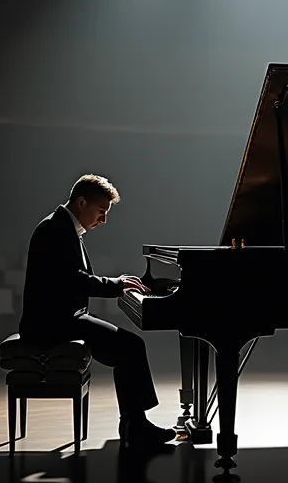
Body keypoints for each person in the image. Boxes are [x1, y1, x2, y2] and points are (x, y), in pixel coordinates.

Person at [19, 174, 180, 447]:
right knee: (130, 347)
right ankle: (135, 425)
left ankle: (133, 423)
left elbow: (72, 277)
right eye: (101, 211)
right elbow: (71, 279)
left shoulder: (62, 227)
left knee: (126, 348)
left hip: (61, 318)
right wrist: (116, 285)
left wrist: (116, 286)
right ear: (81, 202)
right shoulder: (55, 230)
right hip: (51, 325)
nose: (103, 220)